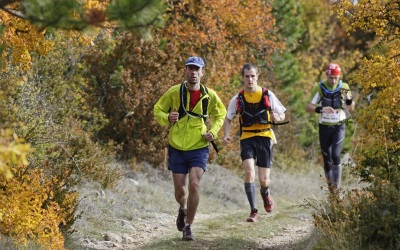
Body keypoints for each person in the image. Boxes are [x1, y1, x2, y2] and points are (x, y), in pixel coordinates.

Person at [153, 56, 226, 241]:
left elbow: (221, 114)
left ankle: (188, 226)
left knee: (194, 183)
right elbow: (157, 110)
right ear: (185, 71)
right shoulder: (175, 91)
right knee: (180, 191)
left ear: (202, 72)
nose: (193, 72)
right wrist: (167, 117)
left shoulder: (210, 95)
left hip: (199, 146)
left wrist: (213, 132)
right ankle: (182, 208)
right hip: (176, 146)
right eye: (190, 69)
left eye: (197, 69)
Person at [222, 63, 286, 222]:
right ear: (243, 78)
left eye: (252, 76)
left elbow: (282, 113)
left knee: (264, 180)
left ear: (257, 77)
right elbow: (228, 118)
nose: (250, 79)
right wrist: (226, 135)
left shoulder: (267, 94)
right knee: (249, 171)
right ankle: (253, 211)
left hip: (265, 137)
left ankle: (266, 194)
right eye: (247, 76)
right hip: (247, 138)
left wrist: (278, 117)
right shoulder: (237, 98)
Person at [305, 63, 355, 192]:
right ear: (326, 75)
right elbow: (308, 107)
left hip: (339, 126)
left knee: (335, 155)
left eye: (335, 78)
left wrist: (349, 100)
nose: (333, 81)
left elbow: (351, 107)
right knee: (327, 159)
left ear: (339, 77)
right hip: (324, 127)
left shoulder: (343, 87)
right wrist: (321, 109)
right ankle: (331, 190)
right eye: (330, 78)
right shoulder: (319, 88)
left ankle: (337, 188)